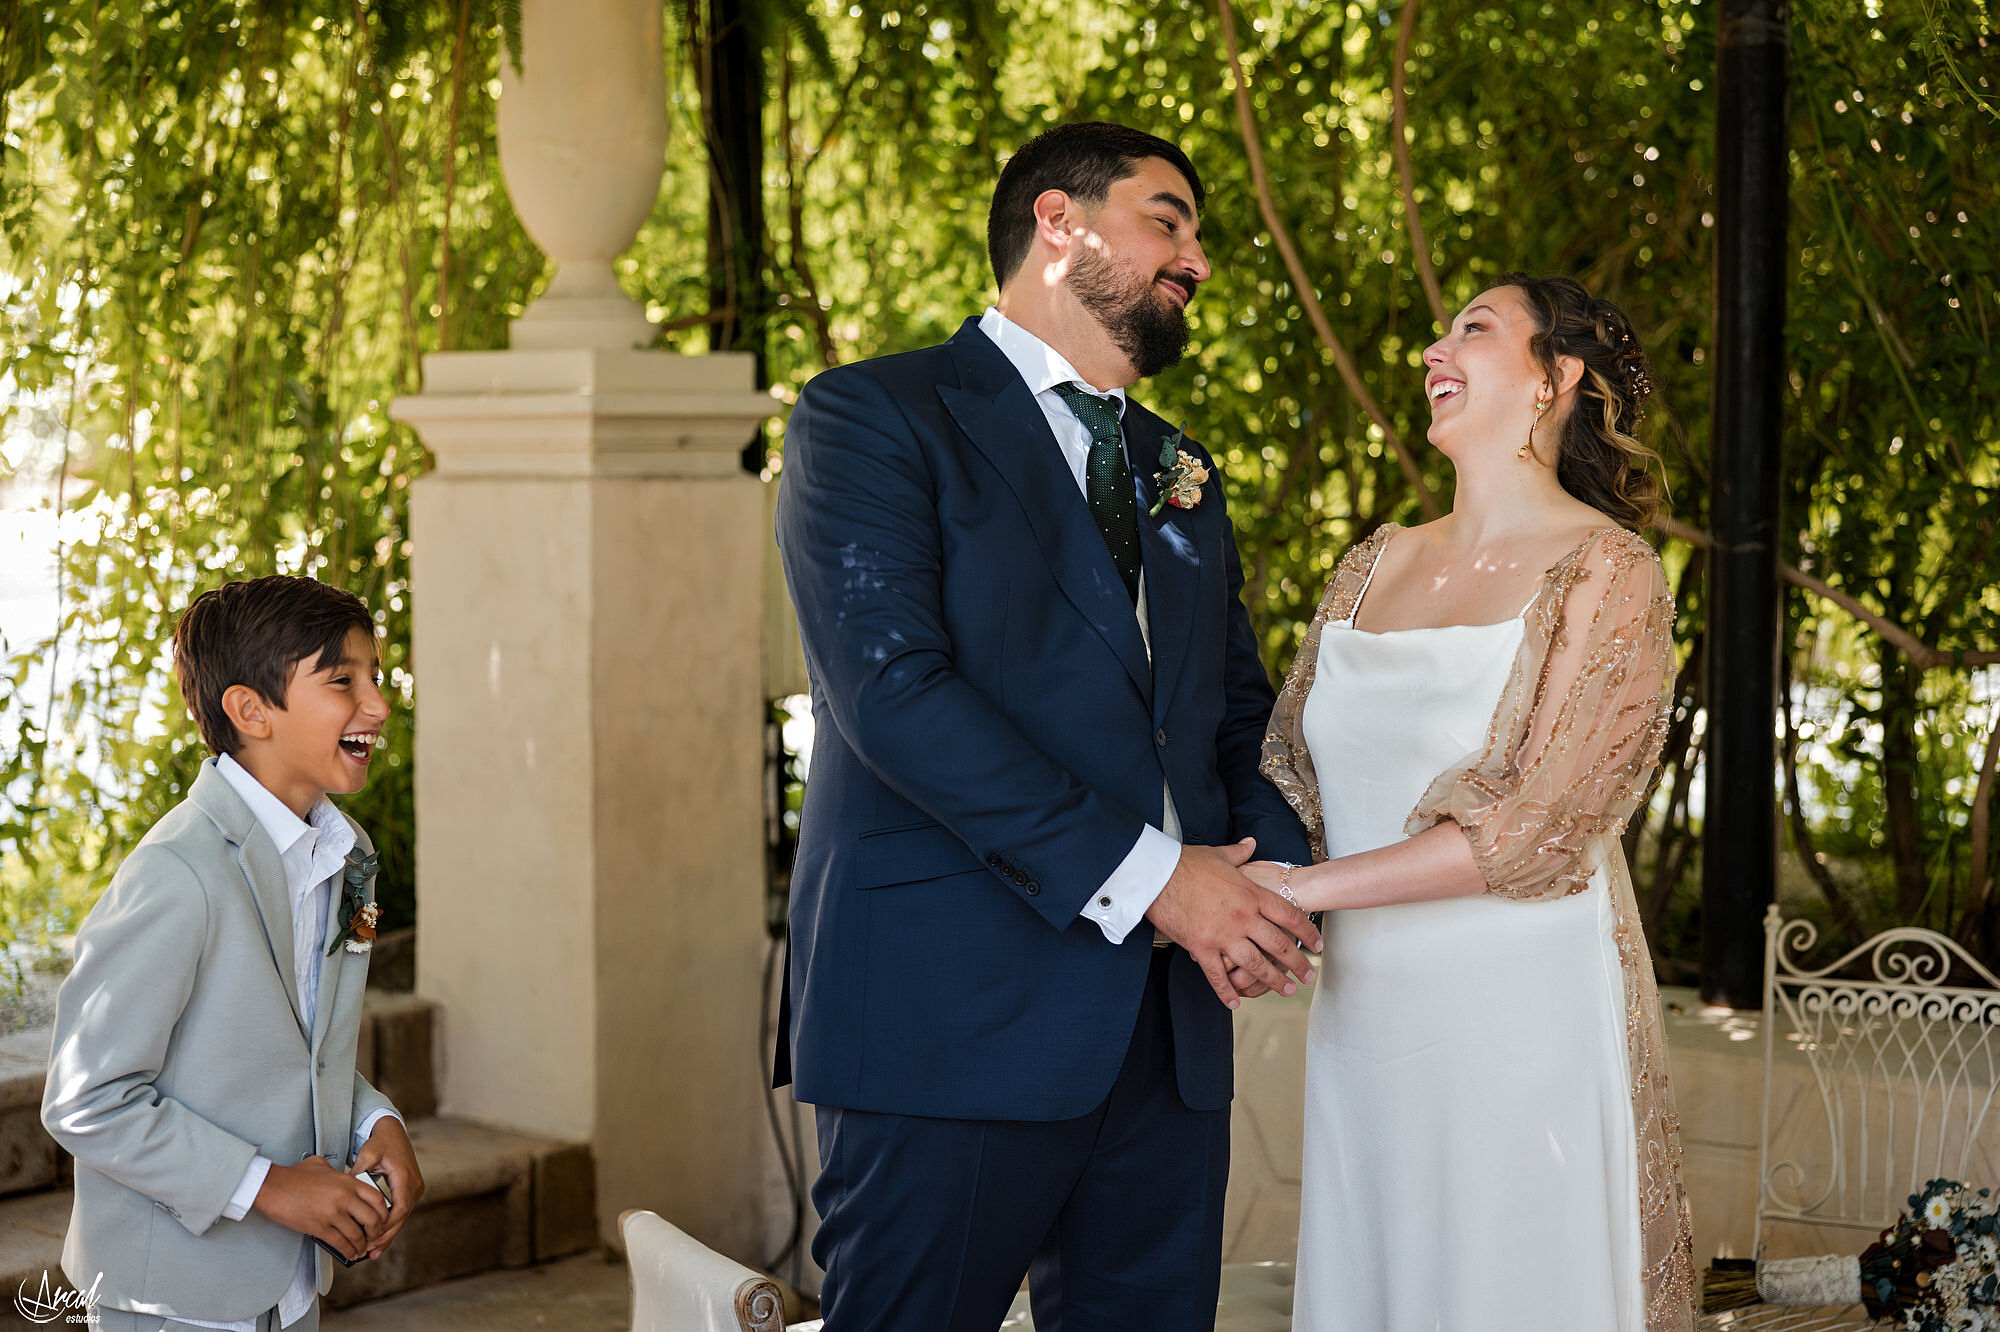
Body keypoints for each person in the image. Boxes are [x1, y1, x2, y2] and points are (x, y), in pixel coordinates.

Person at [773, 121, 1320, 1331]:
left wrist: (1267, 886)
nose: (1197, 259)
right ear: (1057, 227)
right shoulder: (873, 416)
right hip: (946, 1012)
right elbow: (892, 696)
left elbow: (1228, 711)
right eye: (1166, 220)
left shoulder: (1181, 469)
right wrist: (1160, 881)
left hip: (1166, 1036)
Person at [1256, 274, 1696, 1332]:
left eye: (1474, 329)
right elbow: (1287, 771)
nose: (1431, 350)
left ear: (1555, 378)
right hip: (1367, 1012)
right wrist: (1224, 885)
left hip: (1521, 1006)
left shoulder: (1608, 567)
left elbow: (1539, 825)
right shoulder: (1372, 562)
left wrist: (1299, 892)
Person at [42, 576, 425, 1332]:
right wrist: (272, 1187)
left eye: (376, 678)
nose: (378, 705)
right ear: (251, 710)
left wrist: (373, 1124)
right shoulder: (176, 875)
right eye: (344, 681)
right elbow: (85, 1099)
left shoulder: (346, 858)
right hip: (172, 1298)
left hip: (289, 1288)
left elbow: (297, 1049)